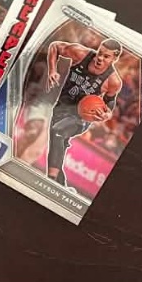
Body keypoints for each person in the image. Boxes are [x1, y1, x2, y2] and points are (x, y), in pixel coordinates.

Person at [42, 36, 124, 187]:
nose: (100, 58)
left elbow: (109, 103)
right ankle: (60, 184)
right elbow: (55, 46)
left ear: (115, 58)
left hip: (82, 116)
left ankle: (51, 180)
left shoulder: (113, 81)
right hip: (61, 107)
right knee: (58, 141)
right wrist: (52, 71)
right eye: (99, 53)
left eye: (106, 56)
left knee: (57, 132)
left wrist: (106, 114)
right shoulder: (81, 54)